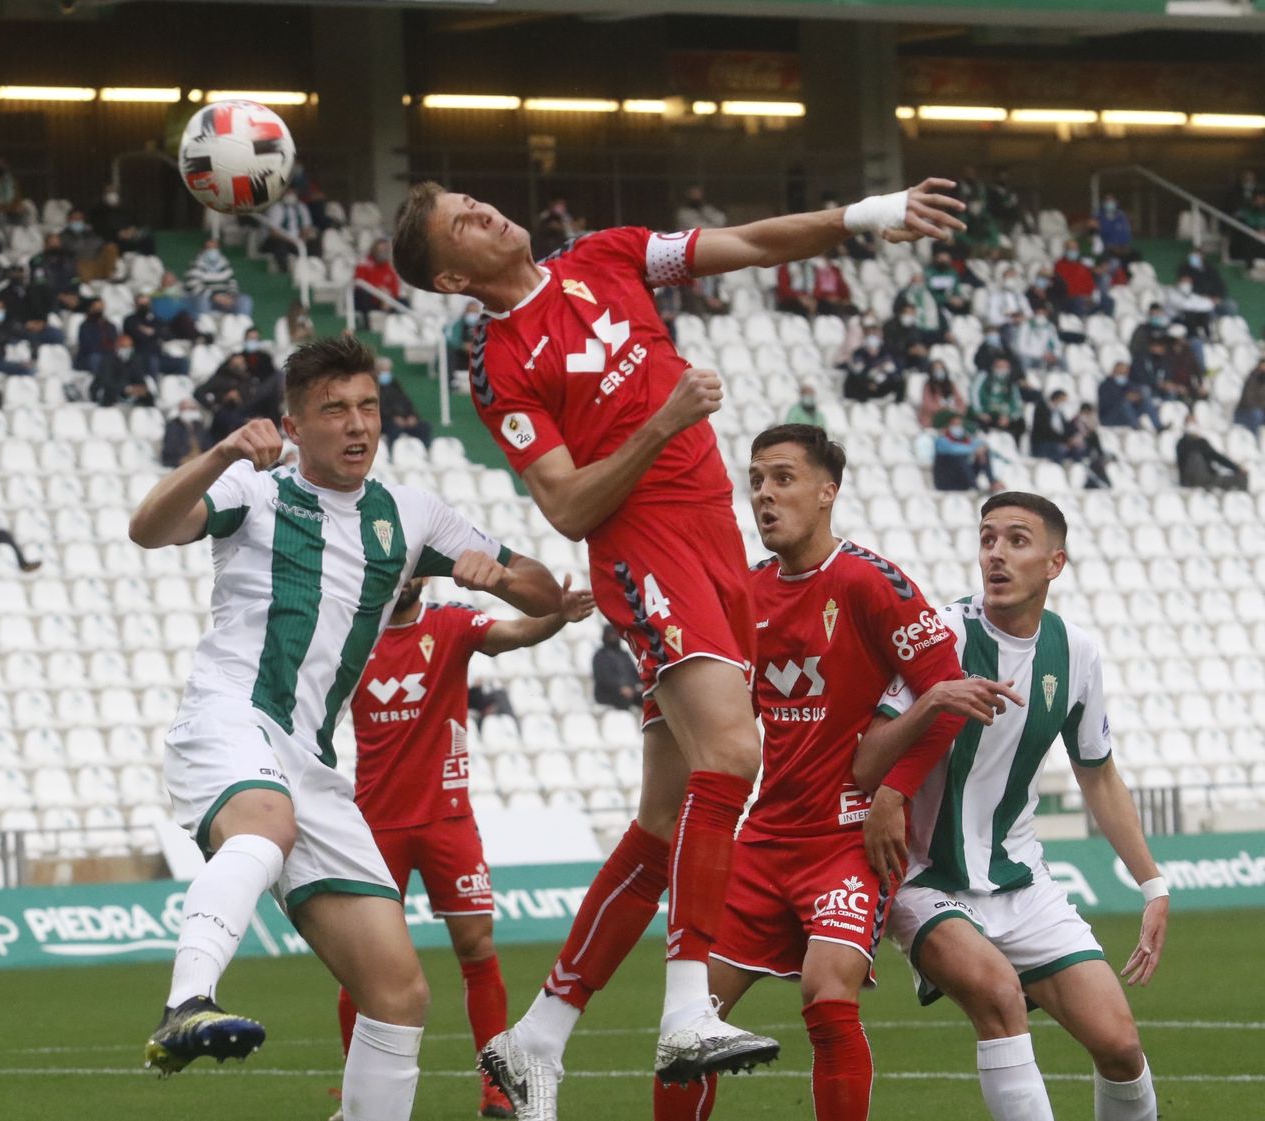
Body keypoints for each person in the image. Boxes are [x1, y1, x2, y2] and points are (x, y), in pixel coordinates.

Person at [390, 174, 965, 1115]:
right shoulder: (500, 365)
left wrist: (865, 216)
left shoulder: (607, 256)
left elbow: (746, 241)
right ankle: (687, 1005)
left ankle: (538, 1037)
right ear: (453, 276)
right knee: (736, 752)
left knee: (663, 824)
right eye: (463, 220)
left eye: (473, 198)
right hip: (645, 549)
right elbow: (569, 504)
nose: (485, 209)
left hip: (713, 544)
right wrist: (667, 418)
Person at [126, 335, 565, 1121]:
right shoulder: (253, 489)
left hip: (313, 762)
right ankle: (187, 999)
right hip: (231, 715)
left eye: (367, 406)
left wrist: (498, 575)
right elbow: (149, 527)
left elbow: (543, 591)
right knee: (263, 829)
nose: (358, 424)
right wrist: (222, 449)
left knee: (398, 992)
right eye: (334, 409)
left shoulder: (409, 512)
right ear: (293, 426)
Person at [655, 425, 1010, 1121]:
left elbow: (950, 695)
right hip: (762, 839)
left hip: (847, 839)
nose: (763, 494)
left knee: (826, 992)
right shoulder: (744, 594)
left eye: (782, 478)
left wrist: (893, 791)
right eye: (755, 479)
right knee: (687, 1020)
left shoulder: (871, 583)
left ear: (827, 492)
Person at [856, 492, 1167, 1121]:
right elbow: (866, 760)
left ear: (1055, 563)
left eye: (1016, 541)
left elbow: (1098, 775)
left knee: (1120, 1046)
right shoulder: (941, 634)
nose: (996, 554)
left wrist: (1152, 883)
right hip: (923, 879)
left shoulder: (1075, 652)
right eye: (987, 539)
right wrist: (933, 700)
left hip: (1021, 880)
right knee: (999, 997)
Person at [337, 575, 596, 1120]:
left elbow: (514, 632)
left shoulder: (451, 624)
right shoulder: (351, 637)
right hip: (375, 826)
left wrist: (556, 615)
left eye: (413, 566)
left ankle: (496, 1091)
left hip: (447, 821)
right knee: (361, 966)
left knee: (477, 950)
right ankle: (356, 1100)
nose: (403, 577)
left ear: (424, 574)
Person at [1175, 416, 1249, 490]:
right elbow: (1183, 461)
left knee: (1241, 477)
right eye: (1190, 423)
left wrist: (1237, 468)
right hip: (1190, 480)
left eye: (1194, 423)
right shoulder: (1182, 443)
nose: (1192, 426)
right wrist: (1190, 437)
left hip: (1209, 477)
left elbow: (1217, 457)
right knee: (1195, 457)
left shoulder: (1202, 442)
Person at [376, 357, 433, 449]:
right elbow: (379, 408)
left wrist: (411, 416)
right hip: (386, 421)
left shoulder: (396, 386)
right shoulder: (374, 388)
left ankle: (426, 450)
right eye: (383, 370)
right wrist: (394, 418)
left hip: (404, 420)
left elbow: (407, 403)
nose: (386, 373)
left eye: (388, 370)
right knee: (393, 428)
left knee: (424, 427)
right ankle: (392, 451)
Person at [261, 188, 318, 273]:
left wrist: (303, 238)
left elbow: (306, 227)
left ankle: (313, 266)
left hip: (296, 240)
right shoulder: (277, 208)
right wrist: (290, 240)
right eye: (288, 193)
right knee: (280, 244)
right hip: (279, 239)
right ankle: (285, 270)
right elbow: (273, 232)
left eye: (293, 193)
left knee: (314, 241)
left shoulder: (302, 207)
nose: (291, 195)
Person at [90, 334, 157, 407]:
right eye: (124, 347)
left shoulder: (135, 360)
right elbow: (107, 381)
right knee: (109, 393)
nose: (127, 350)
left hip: (129, 392)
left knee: (147, 396)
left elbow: (139, 378)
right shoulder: (108, 359)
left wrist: (140, 388)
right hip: (110, 391)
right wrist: (126, 388)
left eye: (129, 347)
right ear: (117, 347)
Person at [88, 183, 156, 255]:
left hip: (131, 235)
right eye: (109, 193)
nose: (112, 195)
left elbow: (137, 222)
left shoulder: (125, 209)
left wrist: (133, 229)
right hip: (113, 238)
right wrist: (118, 233)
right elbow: (99, 228)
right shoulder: (98, 211)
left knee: (146, 233)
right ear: (104, 195)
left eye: (114, 192)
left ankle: (149, 258)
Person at [933, 418, 998, 492]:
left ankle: (992, 482)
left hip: (961, 481)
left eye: (959, 425)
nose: (958, 427)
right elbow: (953, 449)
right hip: (946, 482)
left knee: (983, 453)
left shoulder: (964, 439)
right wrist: (975, 450)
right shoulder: (941, 440)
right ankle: (975, 487)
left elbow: (981, 443)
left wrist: (981, 450)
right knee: (959, 458)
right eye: (954, 425)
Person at [968, 360, 1026, 441]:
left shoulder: (1011, 382)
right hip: (986, 413)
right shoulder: (984, 377)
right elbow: (974, 393)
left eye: (1005, 367)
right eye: (1000, 367)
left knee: (1020, 424)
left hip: (1003, 416)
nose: (1002, 370)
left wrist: (1010, 417)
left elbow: (1017, 402)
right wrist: (979, 412)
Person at [354, 238, 407, 326]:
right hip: (369, 298)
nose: (382, 252)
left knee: (404, 302)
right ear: (374, 250)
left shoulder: (388, 268)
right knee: (362, 295)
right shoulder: (364, 263)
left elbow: (395, 289)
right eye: (380, 249)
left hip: (384, 300)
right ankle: (367, 325)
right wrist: (379, 290)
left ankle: (398, 327)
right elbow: (359, 283)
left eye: (384, 250)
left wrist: (387, 295)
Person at [842, 331, 904, 404]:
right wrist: (869, 381)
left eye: (875, 348)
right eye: (870, 348)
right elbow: (857, 372)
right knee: (858, 380)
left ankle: (898, 402)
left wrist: (877, 381)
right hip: (863, 386)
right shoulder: (859, 354)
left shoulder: (884, 354)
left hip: (878, 385)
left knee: (898, 380)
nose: (873, 351)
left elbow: (891, 370)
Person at [592, 624, 643, 710]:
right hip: (609, 694)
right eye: (611, 635)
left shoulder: (624, 654)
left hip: (631, 691)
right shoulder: (600, 655)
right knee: (624, 702)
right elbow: (602, 678)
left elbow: (634, 673)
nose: (614, 637)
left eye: (616, 634)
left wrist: (639, 686)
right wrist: (620, 688)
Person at [1052, 241, 1096, 317]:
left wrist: (1090, 296)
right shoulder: (1059, 265)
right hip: (1068, 299)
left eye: (1075, 249)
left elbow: (1090, 284)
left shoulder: (1083, 266)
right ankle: (1081, 323)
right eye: (1071, 249)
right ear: (1066, 250)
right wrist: (1083, 297)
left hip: (1084, 298)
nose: (1073, 251)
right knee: (1079, 301)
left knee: (1107, 300)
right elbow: (1063, 287)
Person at [162, 398, 211, 467]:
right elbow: (171, 448)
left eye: (194, 409)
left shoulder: (198, 425)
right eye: (190, 409)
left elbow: (207, 443)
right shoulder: (173, 425)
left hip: (200, 458)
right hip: (181, 460)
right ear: (181, 410)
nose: (193, 412)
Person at [75, 298, 119, 376]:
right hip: (91, 355)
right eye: (97, 307)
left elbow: (114, 341)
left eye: (101, 307)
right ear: (90, 308)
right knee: (96, 357)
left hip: (108, 354)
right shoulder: (85, 326)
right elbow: (86, 346)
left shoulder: (110, 325)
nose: (99, 309)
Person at [1029, 390, 1075, 462]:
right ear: (1057, 399)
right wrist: (1063, 440)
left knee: (1077, 449)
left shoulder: (1059, 412)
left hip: (1057, 442)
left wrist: (1071, 438)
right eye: (1063, 401)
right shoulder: (1041, 409)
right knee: (1059, 450)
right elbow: (1045, 431)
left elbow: (1066, 428)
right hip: (1042, 444)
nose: (1063, 404)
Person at [919, 362, 966, 429]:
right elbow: (927, 404)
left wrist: (958, 409)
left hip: (952, 412)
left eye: (941, 369)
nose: (939, 371)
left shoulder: (950, 384)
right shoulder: (928, 386)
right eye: (936, 369)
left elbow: (959, 400)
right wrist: (943, 407)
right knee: (953, 419)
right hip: (935, 415)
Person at [1094, 193, 1134, 260]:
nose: (1110, 203)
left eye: (1112, 201)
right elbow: (1093, 227)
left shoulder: (1121, 214)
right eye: (1107, 201)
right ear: (1103, 203)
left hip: (1124, 247)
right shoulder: (1099, 215)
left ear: (1116, 202)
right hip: (1109, 248)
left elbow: (1126, 230)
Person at [1234, 358, 1265, 435]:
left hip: (1259, 410)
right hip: (1245, 411)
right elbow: (1248, 399)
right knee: (1257, 414)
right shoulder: (1252, 379)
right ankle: (1254, 440)